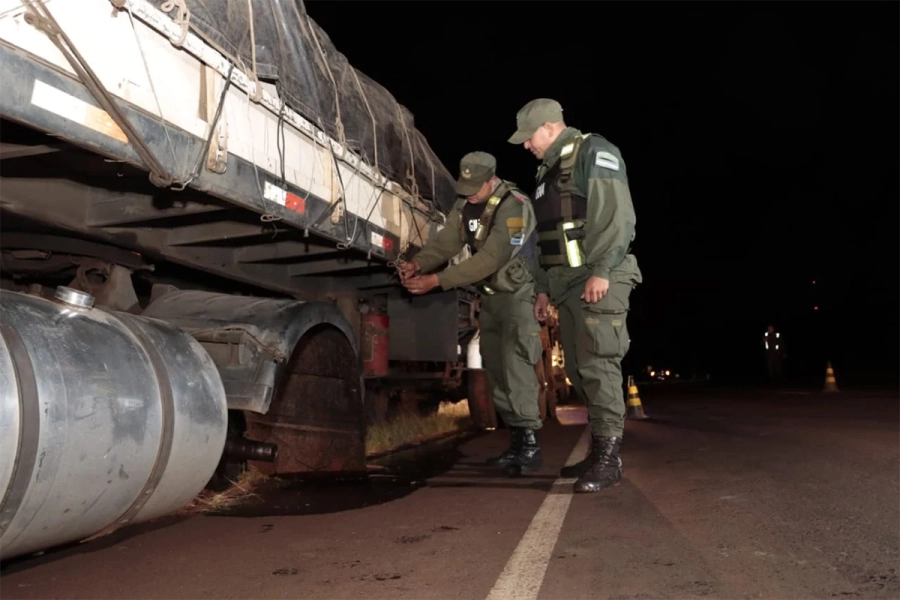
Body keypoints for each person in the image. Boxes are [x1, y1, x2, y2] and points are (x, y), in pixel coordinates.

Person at [507, 98, 643, 493]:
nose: (525, 146)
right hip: (565, 284)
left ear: (550, 127)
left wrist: (601, 271)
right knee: (580, 373)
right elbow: (550, 237)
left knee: (599, 366)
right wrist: (544, 290)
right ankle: (599, 449)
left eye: (529, 137)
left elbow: (616, 216)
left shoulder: (595, 152)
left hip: (599, 275)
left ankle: (608, 457)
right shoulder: (547, 172)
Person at [400, 151, 544, 477]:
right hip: (491, 299)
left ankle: (530, 446)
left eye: (475, 187)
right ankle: (519, 443)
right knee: (495, 369)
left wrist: (437, 280)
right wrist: (419, 263)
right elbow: (447, 241)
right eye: (465, 186)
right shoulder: (465, 204)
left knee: (515, 367)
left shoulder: (514, 205)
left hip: (517, 297)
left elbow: (489, 259)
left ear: (492, 179)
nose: (469, 194)